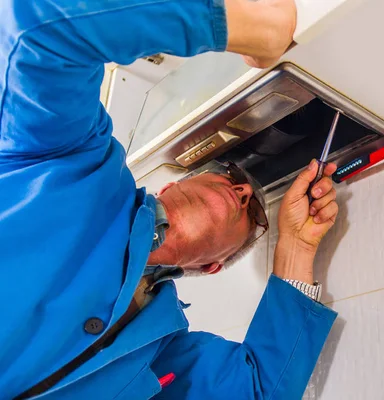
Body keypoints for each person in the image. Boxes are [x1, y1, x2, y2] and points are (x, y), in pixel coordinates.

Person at [0, 0, 340, 399]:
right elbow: (40, 24)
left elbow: (259, 390)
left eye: (250, 215)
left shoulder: (161, 352)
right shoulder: (78, 161)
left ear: (211, 267)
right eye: (230, 176)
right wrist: (235, 22)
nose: (245, 191)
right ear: (167, 188)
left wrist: (297, 246)